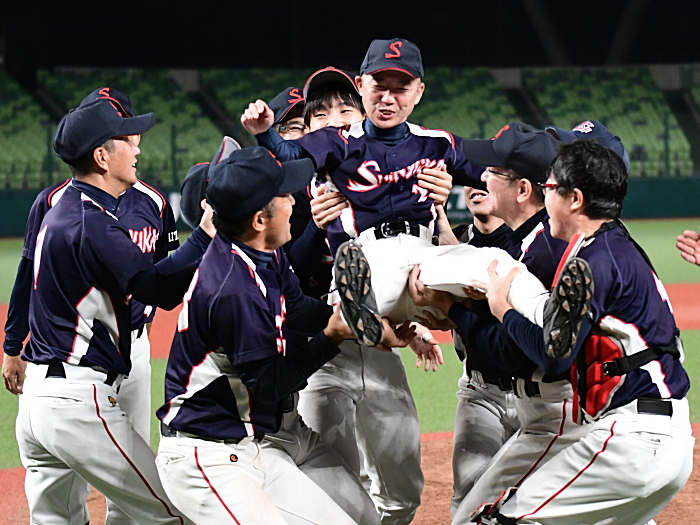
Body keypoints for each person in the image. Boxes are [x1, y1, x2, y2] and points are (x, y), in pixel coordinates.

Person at [155, 145, 414, 525]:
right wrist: (332, 338)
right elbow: (268, 385)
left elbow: (298, 310)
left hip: (257, 441)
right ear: (260, 219)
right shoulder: (233, 288)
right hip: (208, 458)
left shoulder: (263, 253)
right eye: (283, 195)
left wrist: (363, 324)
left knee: (363, 519)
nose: (294, 200)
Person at [15, 98, 215, 525]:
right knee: (171, 512)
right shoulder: (92, 222)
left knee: (56, 520)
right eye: (127, 140)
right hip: (77, 401)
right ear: (102, 157)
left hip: (38, 398)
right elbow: (159, 289)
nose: (137, 147)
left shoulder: (63, 209)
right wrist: (204, 235)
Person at [472, 139, 693, 525]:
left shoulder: (592, 260)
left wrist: (502, 309)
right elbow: (556, 315)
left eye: (549, 188)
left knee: (500, 519)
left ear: (574, 199)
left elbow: (553, 356)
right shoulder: (616, 246)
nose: (544, 197)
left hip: (632, 440)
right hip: (667, 440)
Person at [422, 189, 519, 518]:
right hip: (480, 391)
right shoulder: (452, 241)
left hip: (536, 396)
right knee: (467, 496)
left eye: (490, 176)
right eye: (474, 176)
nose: (479, 184)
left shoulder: (530, 242)